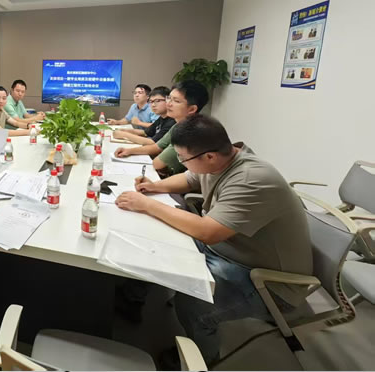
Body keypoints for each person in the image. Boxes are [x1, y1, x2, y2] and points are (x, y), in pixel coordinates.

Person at [115, 115, 312, 365]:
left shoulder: (251, 179)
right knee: (161, 239)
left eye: (183, 158)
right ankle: (133, 296)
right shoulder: (219, 160)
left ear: (209, 156)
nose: (181, 162)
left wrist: (147, 205)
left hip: (267, 280)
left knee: (195, 301)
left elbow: (207, 232)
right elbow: (190, 178)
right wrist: (154, 187)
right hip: (229, 251)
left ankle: (203, 360)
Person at [114, 80, 208, 176]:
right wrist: (129, 151)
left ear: (192, 109)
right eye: (169, 98)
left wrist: (125, 135)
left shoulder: (189, 131)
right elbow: (156, 147)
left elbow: (157, 163)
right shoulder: (178, 125)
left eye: (176, 101)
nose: (168, 104)